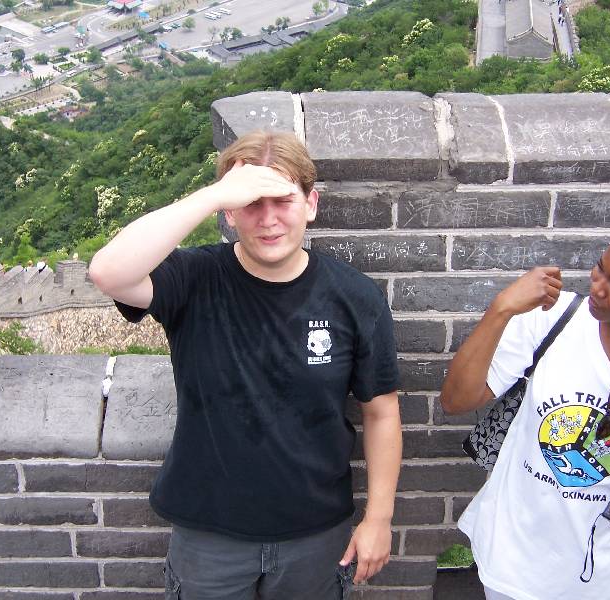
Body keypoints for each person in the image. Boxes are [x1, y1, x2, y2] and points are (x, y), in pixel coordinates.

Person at [89, 130, 402, 599]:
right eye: (251, 204)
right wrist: (212, 195)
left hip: (315, 533)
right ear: (230, 213)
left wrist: (378, 518)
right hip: (210, 532)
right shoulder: (194, 279)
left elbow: (381, 412)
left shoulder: (354, 297)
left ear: (311, 204)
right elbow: (108, 272)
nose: (268, 219)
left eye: (283, 201)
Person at [440, 221, 610, 600]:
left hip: (597, 571)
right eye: (600, 268)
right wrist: (502, 309)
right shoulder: (552, 318)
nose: (597, 286)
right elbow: (455, 400)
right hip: (513, 557)